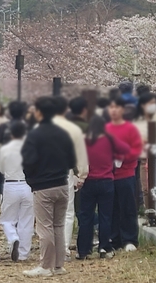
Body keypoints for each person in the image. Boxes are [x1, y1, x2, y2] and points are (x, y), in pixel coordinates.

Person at [20, 96, 75, 277]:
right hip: (62, 184)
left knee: (44, 227)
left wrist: (32, 180)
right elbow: (72, 160)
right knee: (58, 225)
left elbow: (28, 161)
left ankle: (45, 266)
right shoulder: (63, 133)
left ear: (39, 112)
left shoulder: (34, 135)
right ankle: (58, 265)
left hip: (43, 186)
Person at [77, 115, 130, 260]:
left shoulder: (85, 140)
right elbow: (125, 149)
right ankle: (104, 247)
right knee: (105, 216)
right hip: (106, 181)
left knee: (85, 216)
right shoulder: (109, 139)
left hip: (88, 182)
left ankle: (83, 250)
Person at [51, 96, 88, 257]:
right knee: (67, 212)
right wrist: (81, 175)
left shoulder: (43, 128)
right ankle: (64, 248)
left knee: (47, 213)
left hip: (46, 175)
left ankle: (50, 247)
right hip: (66, 174)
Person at [105, 97, 143, 253]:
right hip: (108, 174)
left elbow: (136, 150)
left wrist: (122, 156)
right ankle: (114, 238)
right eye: (111, 107)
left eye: (117, 107)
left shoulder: (130, 129)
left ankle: (129, 238)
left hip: (126, 172)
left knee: (128, 207)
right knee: (111, 208)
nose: (114, 110)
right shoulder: (105, 128)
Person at [0, 119, 32, 262]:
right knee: (27, 220)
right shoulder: (29, 147)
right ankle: (24, 254)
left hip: (11, 185)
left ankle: (13, 237)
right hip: (28, 185)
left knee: (7, 219)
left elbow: (1, 169)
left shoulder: (4, 149)